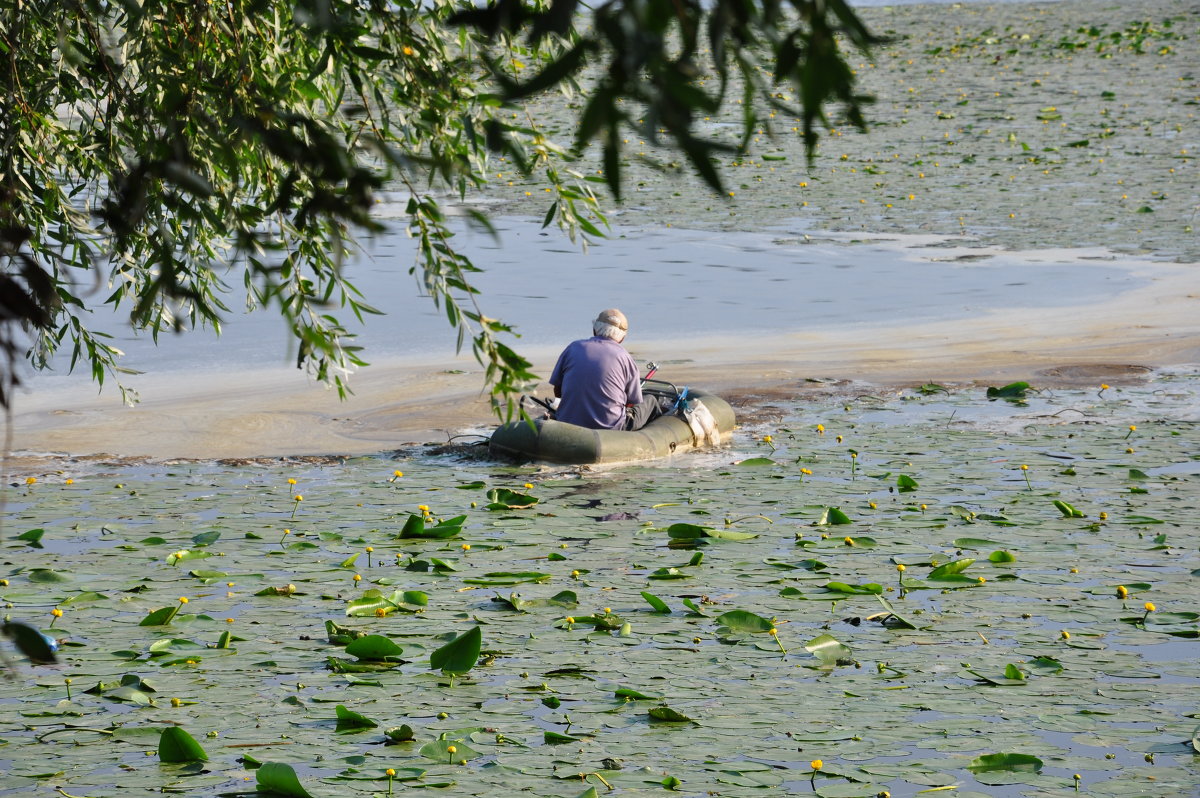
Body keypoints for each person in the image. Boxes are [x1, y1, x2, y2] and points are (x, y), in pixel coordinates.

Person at [549, 309, 663, 431]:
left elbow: (558, 390)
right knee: (650, 400)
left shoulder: (573, 348)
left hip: (567, 421)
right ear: (622, 338)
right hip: (612, 428)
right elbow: (633, 402)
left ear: (594, 330)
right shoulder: (624, 357)